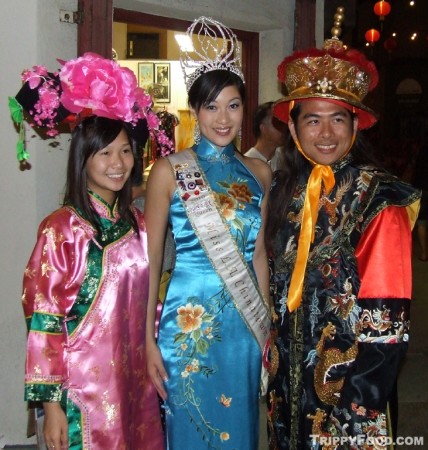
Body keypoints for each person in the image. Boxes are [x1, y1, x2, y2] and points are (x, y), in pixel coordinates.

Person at [265, 9, 421, 450]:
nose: (326, 133)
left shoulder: (380, 201)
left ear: (357, 124)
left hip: (347, 399)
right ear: (293, 127)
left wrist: (358, 410)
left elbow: (386, 326)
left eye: (339, 118)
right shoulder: (285, 189)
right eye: (312, 119)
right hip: (287, 386)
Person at [12, 53, 172, 450]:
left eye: (125, 151)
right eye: (105, 153)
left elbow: (149, 304)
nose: (118, 163)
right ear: (83, 159)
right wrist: (51, 408)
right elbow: (44, 322)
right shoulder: (61, 229)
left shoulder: (139, 224)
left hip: (137, 384)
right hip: (84, 394)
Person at [145, 16, 272, 449]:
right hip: (186, 319)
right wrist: (147, 337)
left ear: (244, 109)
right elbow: (151, 260)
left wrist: (267, 323)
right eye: (211, 106)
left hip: (243, 322)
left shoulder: (259, 173)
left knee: (240, 427)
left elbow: (257, 256)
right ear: (196, 111)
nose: (223, 118)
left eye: (233, 105)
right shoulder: (169, 170)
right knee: (189, 427)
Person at [245, 101, 287, 171]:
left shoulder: (282, 158)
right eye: (277, 123)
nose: (283, 128)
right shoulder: (248, 163)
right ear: (262, 128)